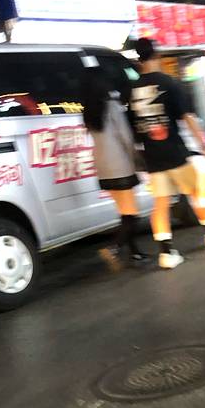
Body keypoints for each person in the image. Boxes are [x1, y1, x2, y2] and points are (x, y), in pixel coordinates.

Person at [129, 38, 205, 269]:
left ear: (139, 58)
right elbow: (187, 117)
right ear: (156, 55)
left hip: (151, 156)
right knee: (196, 192)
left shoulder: (132, 90)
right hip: (174, 151)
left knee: (161, 203)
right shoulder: (168, 83)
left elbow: (133, 127)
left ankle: (166, 254)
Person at [81, 68, 148, 270]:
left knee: (125, 212)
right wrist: (137, 158)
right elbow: (124, 135)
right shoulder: (111, 105)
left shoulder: (88, 111)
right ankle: (114, 248)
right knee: (132, 214)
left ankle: (135, 253)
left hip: (102, 167)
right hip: (120, 164)